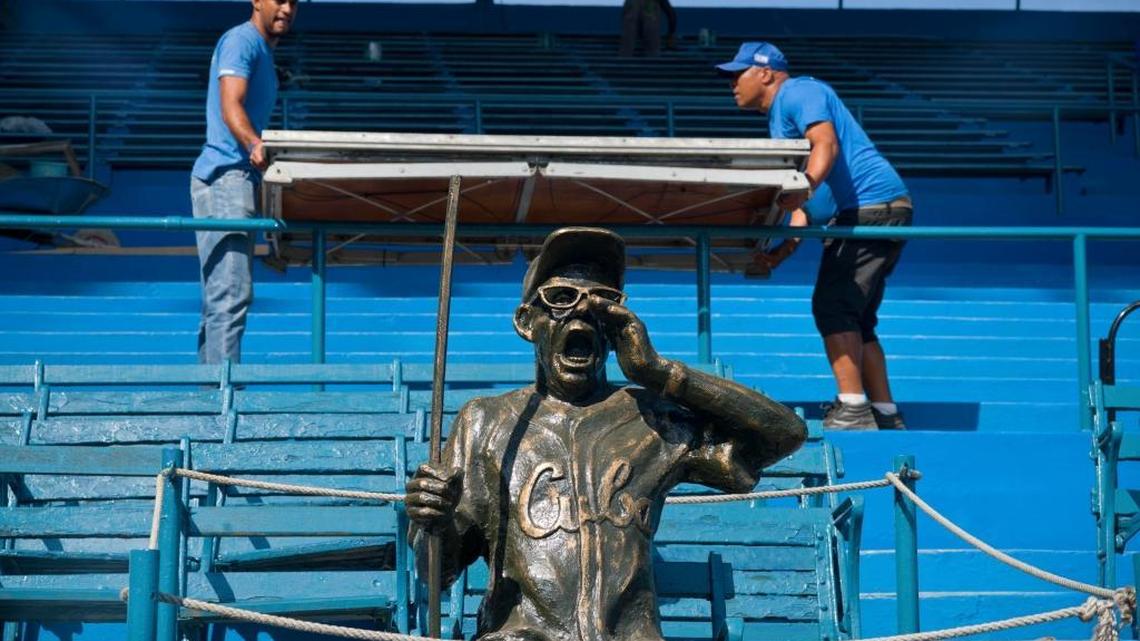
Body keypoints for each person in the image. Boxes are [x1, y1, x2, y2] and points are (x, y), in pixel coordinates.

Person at [405, 227, 806, 641]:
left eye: (603, 302)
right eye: (561, 298)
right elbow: (436, 575)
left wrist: (658, 372)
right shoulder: (485, 421)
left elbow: (783, 436)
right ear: (527, 322)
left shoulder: (651, 418)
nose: (583, 313)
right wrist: (432, 522)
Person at [717, 41, 912, 430]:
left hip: (869, 211)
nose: (732, 84)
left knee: (833, 308)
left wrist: (804, 183)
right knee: (858, 318)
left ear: (766, 73)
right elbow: (803, 210)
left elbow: (826, 145)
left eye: (739, 74)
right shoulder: (780, 117)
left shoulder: (800, 91)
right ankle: (886, 413)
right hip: (873, 212)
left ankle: (854, 409)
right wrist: (778, 254)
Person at [190, 0, 297, 364]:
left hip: (234, 178)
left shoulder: (262, 51)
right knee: (231, 293)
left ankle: (211, 393)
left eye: (293, 2)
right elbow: (230, 104)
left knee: (221, 296)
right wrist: (254, 143)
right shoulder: (242, 41)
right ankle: (222, 400)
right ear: (256, 1)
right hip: (226, 176)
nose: (286, 8)